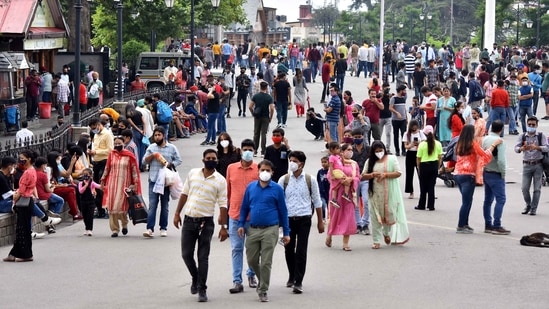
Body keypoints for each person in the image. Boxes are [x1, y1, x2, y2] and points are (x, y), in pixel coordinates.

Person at [173, 149, 228, 303]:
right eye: (208, 158)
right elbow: (184, 193)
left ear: (217, 161)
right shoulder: (193, 173)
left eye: (214, 158)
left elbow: (223, 204)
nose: (211, 160)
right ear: (203, 160)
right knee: (186, 254)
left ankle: (202, 288)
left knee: (203, 257)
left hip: (206, 222)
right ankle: (195, 277)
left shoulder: (220, 180)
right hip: (190, 220)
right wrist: (177, 213)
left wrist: (223, 227)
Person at [238, 160, 290, 303]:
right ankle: (263, 281)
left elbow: (283, 211)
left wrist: (286, 232)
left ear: (272, 172)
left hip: (270, 229)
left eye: (268, 170)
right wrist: (241, 224)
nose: (265, 173)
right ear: (258, 171)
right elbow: (244, 207)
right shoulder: (251, 187)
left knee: (266, 261)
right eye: (262, 170)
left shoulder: (277, 189)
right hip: (253, 229)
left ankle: (263, 290)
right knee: (252, 260)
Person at [278, 150, 324, 294]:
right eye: (290, 160)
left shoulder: (310, 180)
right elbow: (278, 202)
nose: (292, 163)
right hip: (288, 220)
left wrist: (320, 221)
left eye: (295, 161)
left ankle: (299, 281)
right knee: (289, 249)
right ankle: (291, 275)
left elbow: (317, 201)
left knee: (301, 250)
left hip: (304, 219)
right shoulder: (283, 180)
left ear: (302, 164)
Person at [362, 141, 409, 249]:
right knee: (375, 218)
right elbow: (363, 176)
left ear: (384, 149)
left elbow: (398, 173)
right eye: (376, 151)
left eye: (381, 150)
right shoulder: (370, 162)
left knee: (389, 215)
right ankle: (376, 241)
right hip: (375, 194)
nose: (379, 153)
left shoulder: (391, 159)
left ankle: (386, 233)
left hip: (389, 194)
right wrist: (372, 175)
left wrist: (385, 175)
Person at [226, 139, 258, 294]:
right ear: (240, 150)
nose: (248, 152)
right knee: (236, 249)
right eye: (245, 149)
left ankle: (252, 274)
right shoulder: (231, 168)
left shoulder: (259, 169)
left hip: (254, 217)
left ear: (254, 151)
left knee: (252, 249)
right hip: (235, 215)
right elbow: (228, 192)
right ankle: (237, 281)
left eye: (251, 149)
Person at [454, 125, 501, 233]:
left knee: (467, 201)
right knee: (466, 202)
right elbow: (484, 155)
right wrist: (493, 145)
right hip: (468, 175)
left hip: (458, 174)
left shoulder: (459, 144)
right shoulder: (472, 144)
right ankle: (461, 225)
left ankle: (465, 223)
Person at [142, 127, 182, 237]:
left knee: (165, 205)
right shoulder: (151, 147)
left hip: (166, 181)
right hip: (154, 180)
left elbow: (179, 160)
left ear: (163, 135)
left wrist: (170, 164)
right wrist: (153, 155)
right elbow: (144, 161)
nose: (157, 137)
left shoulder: (172, 147)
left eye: (159, 135)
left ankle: (163, 227)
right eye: (155, 135)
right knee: (153, 205)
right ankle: (150, 228)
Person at [100, 136, 141, 237]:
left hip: (124, 184)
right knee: (112, 206)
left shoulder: (129, 156)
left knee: (122, 206)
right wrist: (103, 180)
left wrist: (135, 183)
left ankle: (124, 224)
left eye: (119, 144)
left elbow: (134, 170)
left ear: (124, 144)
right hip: (112, 184)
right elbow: (107, 168)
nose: (117, 146)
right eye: (116, 144)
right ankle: (115, 229)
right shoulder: (111, 154)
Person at [3, 150, 38, 262]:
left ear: (29, 159)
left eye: (23, 158)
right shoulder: (31, 171)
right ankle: (14, 253)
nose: (20, 160)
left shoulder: (28, 172)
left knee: (22, 229)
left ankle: (25, 254)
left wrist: (15, 197)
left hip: (24, 202)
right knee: (22, 229)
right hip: (27, 201)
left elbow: (22, 190)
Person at [325, 143, 359, 251]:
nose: (350, 151)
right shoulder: (336, 161)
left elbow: (358, 177)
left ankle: (345, 243)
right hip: (337, 192)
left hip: (348, 194)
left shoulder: (354, 164)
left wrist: (351, 180)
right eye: (348, 149)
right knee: (334, 215)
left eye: (351, 149)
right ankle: (329, 235)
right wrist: (341, 181)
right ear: (342, 151)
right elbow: (330, 176)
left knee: (348, 217)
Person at [514, 116, 548, 216]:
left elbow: (547, 148)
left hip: (538, 164)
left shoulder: (541, 136)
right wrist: (521, 149)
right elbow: (516, 148)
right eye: (529, 125)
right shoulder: (522, 136)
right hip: (526, 164)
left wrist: (537, 147)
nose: (531, 126)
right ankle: (528, 204)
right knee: (524, 188)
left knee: (537, 189)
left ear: (537, 125)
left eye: (533, 125)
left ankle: (533, 208)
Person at [481, 120, 510, 235]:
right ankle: (497, 225)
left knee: (488, 200)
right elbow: (501, 161)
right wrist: (503, 174)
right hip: (495, 172)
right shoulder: (500, 141)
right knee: (501, 199)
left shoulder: (485, 139)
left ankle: (488, 224)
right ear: (501, 129)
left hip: (486, 171)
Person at [88, 118, 113, 219]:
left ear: (98, 124)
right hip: (96, 162)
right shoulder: (96, 135)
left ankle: (106, 208)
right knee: (96, 186)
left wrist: (96, 152)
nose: (94, 130)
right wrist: (92, 152)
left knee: (102, 185)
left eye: (94, 128)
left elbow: (110, 150)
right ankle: (100, 209)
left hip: (104, 162)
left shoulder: (107, 135)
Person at [415, 125, 442, 210]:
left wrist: (419, 168)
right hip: (434, 165)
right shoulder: (438, 143)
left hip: (424, 166)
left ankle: (421, 205)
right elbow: (440, 157)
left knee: (423, 187)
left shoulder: (422, 145)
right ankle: (431, 205)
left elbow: (418, 158)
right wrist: (437, 167)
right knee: (431, 186)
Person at [351, 129, 371, 235]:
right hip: (354, 180)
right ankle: (358, 224)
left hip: (365, 179)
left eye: (359, 136)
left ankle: (365, 223)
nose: (357, 138)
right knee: (355, 203)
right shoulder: (350, 150)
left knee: (367, 201)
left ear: (363, 137)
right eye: (355, 137)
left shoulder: (368, 149)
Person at [249, 81, 275, 156]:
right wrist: (270, 117)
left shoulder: (256, 96)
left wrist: (253, 113)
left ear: (260, 87)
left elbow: (250, 106)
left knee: (256, 133)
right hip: (265, 116)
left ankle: (255, 150)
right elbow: (272, 109)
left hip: (257, 117)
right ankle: (263, 151)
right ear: (266, 88)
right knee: (264, 133)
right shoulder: (269, 97)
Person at [403, 120, 426, 199]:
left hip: (418, 154)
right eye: (413, 126)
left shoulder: (420, 133)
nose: (414, 128)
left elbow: (424, 143)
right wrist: (411, 144)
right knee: (409, 174)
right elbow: (405, 146)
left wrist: (419, 144)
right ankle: (410, 192)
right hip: (410, 153)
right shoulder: (406, 134)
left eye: (416, 126)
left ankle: (423, 191)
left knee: (421, 173)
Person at [327, 142, 351, 207]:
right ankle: (345, 194)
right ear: (332, 150)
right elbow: (331, 166)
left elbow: (343, 163)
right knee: (347, 181)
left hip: (339, 172)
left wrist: (342, 157)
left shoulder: (337, 156)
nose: (339, 150)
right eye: (337, 148)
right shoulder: (331, 157)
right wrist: (332, 175)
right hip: (336, 172)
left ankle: (334, 199)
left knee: (336, 186)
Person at [78, 168, 100, 236]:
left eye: (87, 175)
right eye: (84, 174)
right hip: (83, 201)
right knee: (85, 215)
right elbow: (80, 191)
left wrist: (105, 187)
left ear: (90, 176)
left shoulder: (92, 183)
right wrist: (86, 185)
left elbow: (98, 186)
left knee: (90, 215)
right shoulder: (80, 183)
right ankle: (86, 228)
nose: (85, 176)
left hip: (91, 201)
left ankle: (90, 229)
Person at [389, 85, 408, 156]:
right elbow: (390, 108)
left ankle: (403, 150)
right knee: (396, 135)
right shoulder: (394, 98)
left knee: (404, 135)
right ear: (400, 91)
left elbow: (404, 109)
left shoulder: (403, 98)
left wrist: (406, 118)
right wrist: (396, 113)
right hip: (395, 120)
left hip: (403, 120)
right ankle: (397, 150)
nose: (405, 92)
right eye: (404, 90)